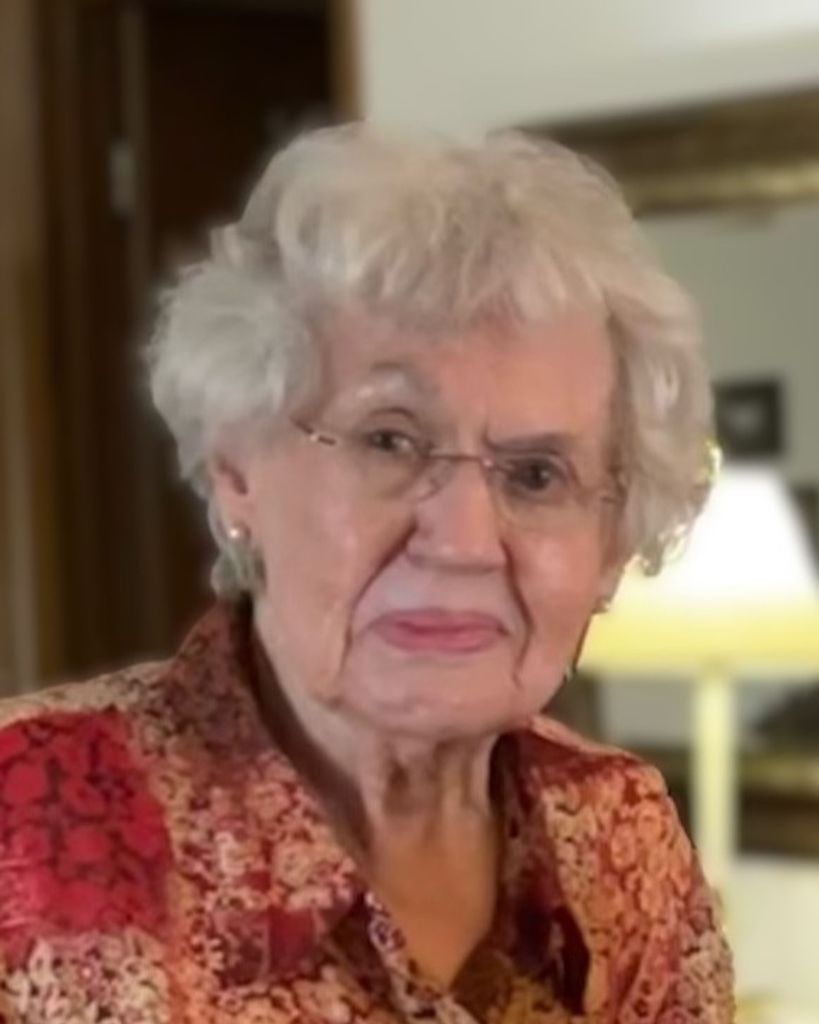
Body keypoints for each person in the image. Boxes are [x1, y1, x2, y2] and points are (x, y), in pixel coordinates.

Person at [0, 125, 732, 1023]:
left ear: (611, 544)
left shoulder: (623, 837)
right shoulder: (20, 828)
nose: (463, 541)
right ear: (237, 470)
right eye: (389, 440)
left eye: (536, 474)